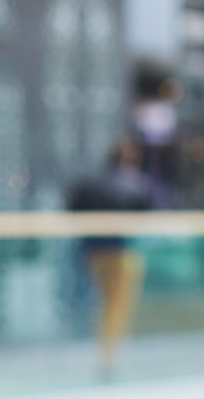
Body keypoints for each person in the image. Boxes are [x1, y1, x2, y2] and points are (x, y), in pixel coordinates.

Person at [67, 136, 157, 378]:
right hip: (121, 251)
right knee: (117, 305)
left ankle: (107, 353)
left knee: (106, 303)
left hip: (93, 251)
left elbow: (73, 208)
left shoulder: (91, 183)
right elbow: (146, 211)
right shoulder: (132, 184)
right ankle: (109, 355)